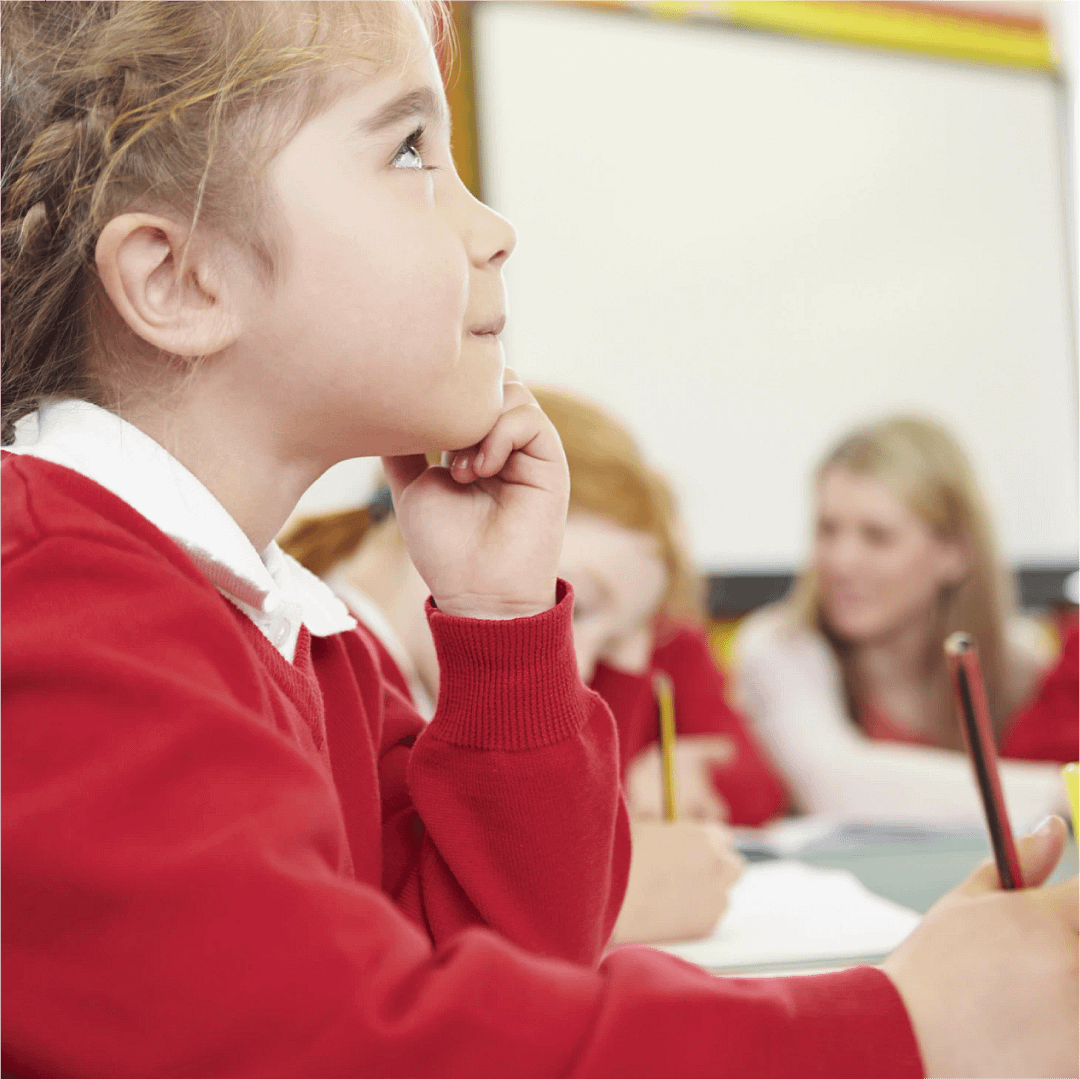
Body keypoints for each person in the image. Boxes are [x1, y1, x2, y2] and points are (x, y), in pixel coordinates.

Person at [1, 4, 1076, 1078]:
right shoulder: (54, 608)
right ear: (179, 279)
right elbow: (359, 1045)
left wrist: (504, 625)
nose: (495, 228)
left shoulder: (299, 637)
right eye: (412, 148)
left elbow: (510, 955)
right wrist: (897, 1028)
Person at [284, 384, 784, 942]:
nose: (583, 667)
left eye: (615, 639)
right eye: (576, 606)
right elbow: (371, 932)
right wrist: (617, 905)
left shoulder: (407, 679)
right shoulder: (325, 674)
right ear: (463, 514)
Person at [733, 415, 1076, 824]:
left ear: (955, 552)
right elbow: (836, 786)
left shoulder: (1019, 660)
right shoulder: (778, 647)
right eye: (827, 530)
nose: (842, 561)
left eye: (877, 536)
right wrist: (1065, 792)